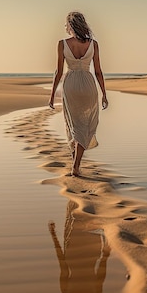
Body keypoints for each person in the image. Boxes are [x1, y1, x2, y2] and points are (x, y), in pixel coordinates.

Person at [49, 11, 108, 177]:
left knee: (73, 124)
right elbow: (98, 71)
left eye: (66, 24)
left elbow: (58, 71)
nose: (65, 27)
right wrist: (104, 93)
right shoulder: (93, 44)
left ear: (70, 25)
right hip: (89, 84)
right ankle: (76, 163)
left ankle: (75, 165)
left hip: (71, 84)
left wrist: (52, 94)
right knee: (85, 124)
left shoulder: (62, 44)